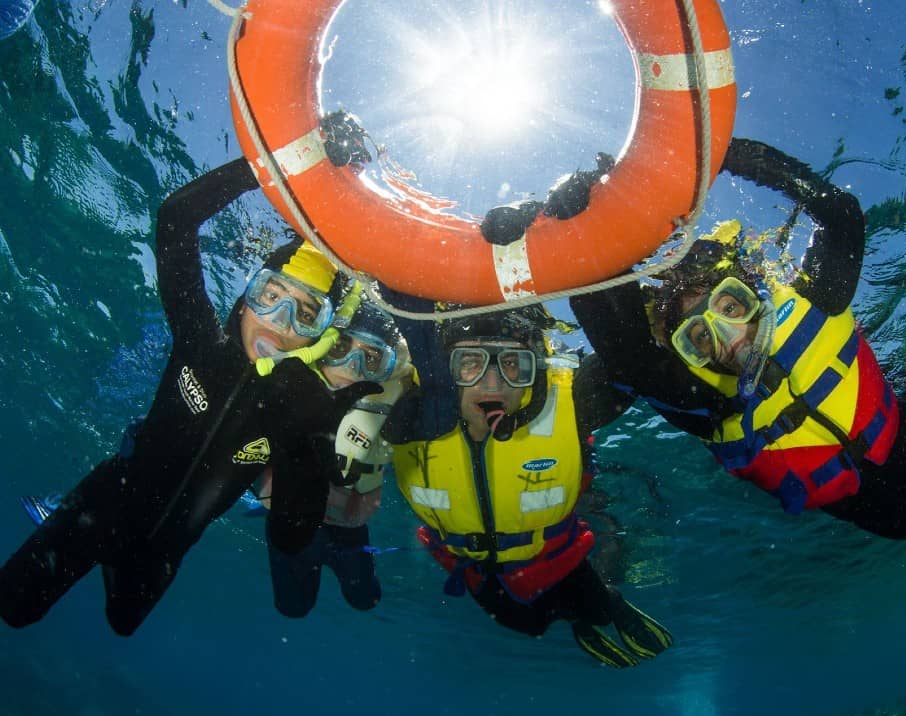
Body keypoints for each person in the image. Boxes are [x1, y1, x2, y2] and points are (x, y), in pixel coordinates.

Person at [0, 158, 377, 636]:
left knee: (123, 622)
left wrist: (312, 442)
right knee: (13, 606)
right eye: (271, 295)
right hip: (98, 508)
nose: (279, 323)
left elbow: (291, 535)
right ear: (245, 297)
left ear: (321, 336)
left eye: (305, 314)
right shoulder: (199, 340)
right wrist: (274, 163)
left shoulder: (299, 408)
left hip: (164, 552)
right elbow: (176, 219)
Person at [571, 137, 906, 540]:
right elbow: (629, 357)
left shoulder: (816, 300)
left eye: (730, 307)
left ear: (752, 295)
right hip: (854, 498)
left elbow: (840, 214)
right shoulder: (704, 403)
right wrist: (595, 233)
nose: (728, 337)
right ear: (687, 354)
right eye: (700, 336)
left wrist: (724, 156)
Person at [382, 300, 673, 668]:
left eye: (511, 365)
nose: (492, 382)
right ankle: (580, 621)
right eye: (469, 363)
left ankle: (600, 610)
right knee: (527, 624)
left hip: (562, 562)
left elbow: (631, 357)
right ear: (443, 372)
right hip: (473, 570)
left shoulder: (572, 402)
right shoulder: (404, 409)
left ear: (532, 371)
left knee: (594, 608)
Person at [260, 301, 413, 616]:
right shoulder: (287, 379)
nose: (351, 365)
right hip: (292, 521)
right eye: (341, 347)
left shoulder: (392, 392)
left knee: (365, 600)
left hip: (347, 526)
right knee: (292, 607)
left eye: (370, 358)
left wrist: (354, 515)